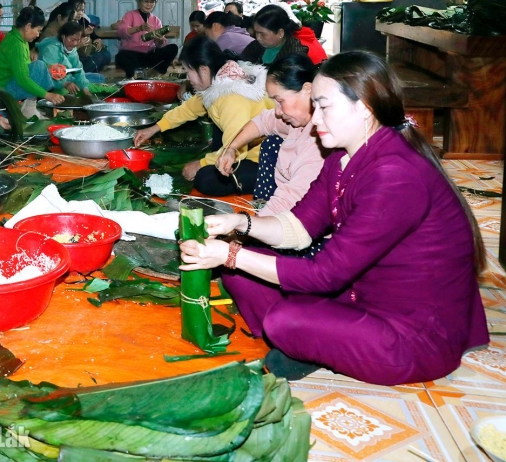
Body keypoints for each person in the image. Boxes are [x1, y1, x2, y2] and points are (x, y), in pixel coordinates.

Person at [179, 52, 488, 385]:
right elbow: (299, 227)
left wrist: (230, 253)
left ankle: (312, 340)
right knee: (240, 275)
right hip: (358, 292)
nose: (315, 120)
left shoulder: (396, 175)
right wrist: (240, 224)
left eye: (324, 107)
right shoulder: (341, 156)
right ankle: (318, 341)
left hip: (413, 332)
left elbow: (325, 274)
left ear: (365, 107)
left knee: (284, 320)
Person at [134, 36, 272, 196]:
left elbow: (237, 150)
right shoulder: (219, 81)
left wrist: (201, 164)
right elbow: (189, 109)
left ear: (204, 69)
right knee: (217, 138)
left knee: (205, 180)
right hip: (238, 146)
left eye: (188, 71)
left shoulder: (232, 98)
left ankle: (272, 183)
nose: (187, 78)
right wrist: (154, 128)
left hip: (265, 158)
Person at [216, 54, 326, 216]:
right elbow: (262, 121)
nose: (277, 111)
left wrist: (251, 228)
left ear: (307, 90)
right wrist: (232, 148)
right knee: (272, 142)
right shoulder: (296, 121)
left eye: (280, 101)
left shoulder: (320, 141)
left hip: (302, 215)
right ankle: (263, 202)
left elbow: (291, 199)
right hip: (284, 200)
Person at [0, 6, 66, 116]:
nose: (38, 35)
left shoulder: (20, 40)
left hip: (9, 85)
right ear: (28, 26)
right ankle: (29, 108)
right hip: (2, 92)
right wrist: (48, 95)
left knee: (41, 66)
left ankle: (29, 105)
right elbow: (22, 79)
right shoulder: (16, 44)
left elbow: (25, 68)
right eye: (38, 30)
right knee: (39, 66)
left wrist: (48, 68)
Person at [115, 0, 179, 78]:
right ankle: (133, 77)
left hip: (149, 55)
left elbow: (160, 45)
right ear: (139, 2)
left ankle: (156, 72)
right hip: (132, 54)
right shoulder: (130, 15)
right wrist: (138, 28)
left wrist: (160, 41)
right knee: (121, 56)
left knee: (173, 48)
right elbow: (121, 32)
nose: (149, 4)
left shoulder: (156, 21)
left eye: (152, 1)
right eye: (146, 1)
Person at [38, 21, 104, 88]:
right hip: (51, 85)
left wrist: (84, 87)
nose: (75, 43)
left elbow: (78, 69)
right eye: (72, 40)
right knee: (95, 80)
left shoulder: (71, 49)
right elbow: (50, 74)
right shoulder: (51, 49)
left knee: (99, 78)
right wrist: (65, 84)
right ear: (63, 37)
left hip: (68, 78)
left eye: (78, 40)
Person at [241, 4, 310, 66]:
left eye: (262, 34)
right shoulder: (256, 45)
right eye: (256, 32)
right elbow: (240, 62)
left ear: (280, 33)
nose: (258, 38)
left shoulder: (295, 56)